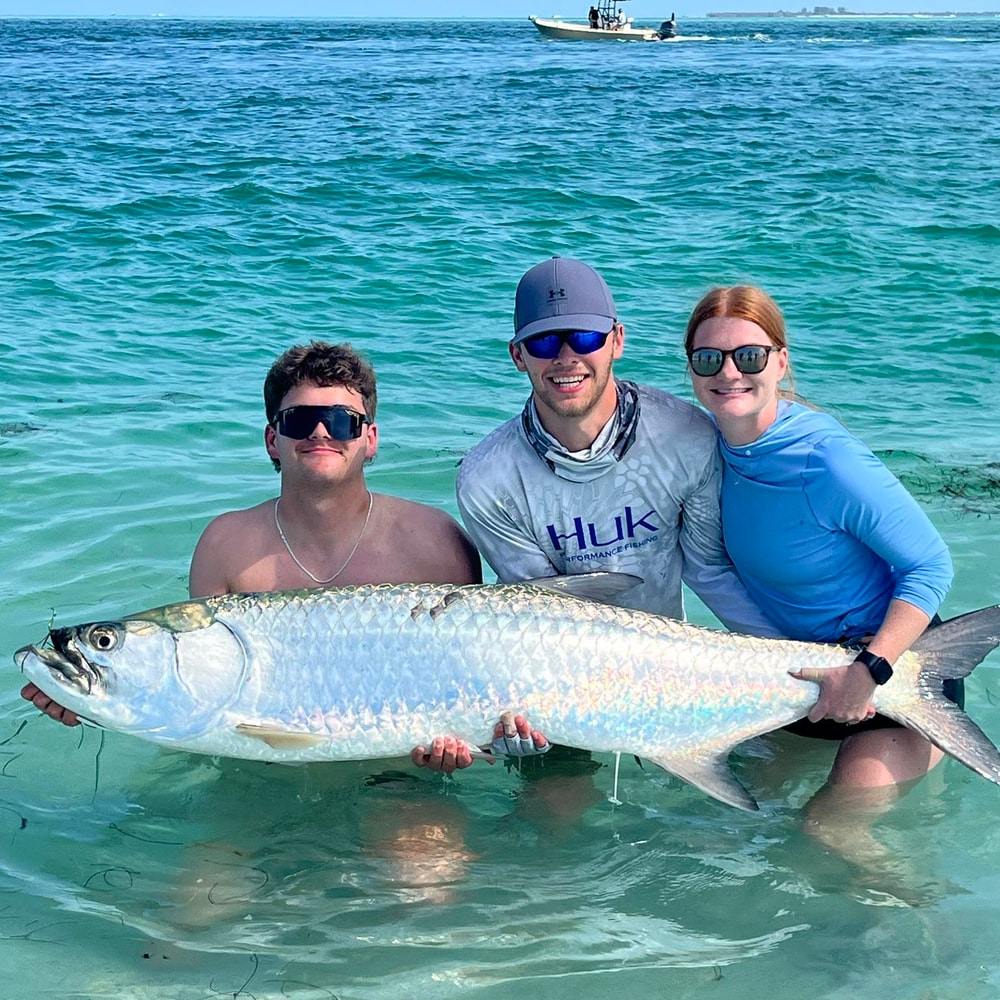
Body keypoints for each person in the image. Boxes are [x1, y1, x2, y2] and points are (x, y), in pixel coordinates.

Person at [418, 256, 781, 776]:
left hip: (669, 669)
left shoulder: (687, 437)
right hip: (547, 689)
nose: (566, 358)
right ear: (518, 355)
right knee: (552, 828)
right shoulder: (486, 479)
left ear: (616, 340)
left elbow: (709, 571)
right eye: (545, 343)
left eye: (584, 339)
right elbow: (541, 619)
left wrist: (793, 661)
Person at [22, 341, 484, 730]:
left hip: (400, 769)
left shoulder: (436, 540)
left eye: (342, 420)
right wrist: (98, 704)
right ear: (271, 439)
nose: (321, 431)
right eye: (300, 420)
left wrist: (475, 736)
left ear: (371, 438)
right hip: (257, 764)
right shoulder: (226, 544)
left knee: (420, 843)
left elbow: (473, 677)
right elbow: (201, 703)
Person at [683, 285, 956, 814]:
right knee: (737, 831)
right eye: (709, 358)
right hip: (800, 681)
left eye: (750, 356)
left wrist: (869, 671)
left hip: (894, 677)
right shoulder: (705, 448)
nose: (729, 372)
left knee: (827, 833)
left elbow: (930, 565)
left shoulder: (826, 461)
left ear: (780, 362)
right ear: (692, 370)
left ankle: (916, 899)